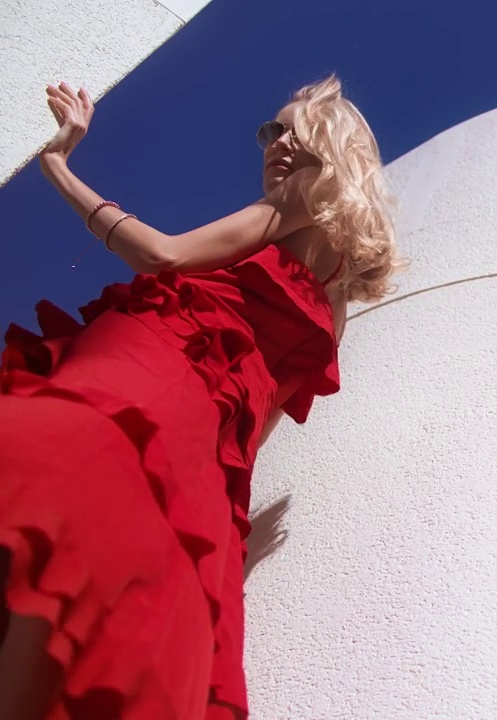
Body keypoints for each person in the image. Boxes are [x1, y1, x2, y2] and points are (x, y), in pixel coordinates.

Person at [0, 75, 400, 718]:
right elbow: (261, 426)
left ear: (335, 146)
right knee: (137, 591)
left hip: (165, 373)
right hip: (206, 436)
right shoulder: (337, 308)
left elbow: (163, 256)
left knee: (63, 475)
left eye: (297, 129)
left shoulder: (305, 196)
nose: (277, 142)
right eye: (271, 130)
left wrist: (57, 167)